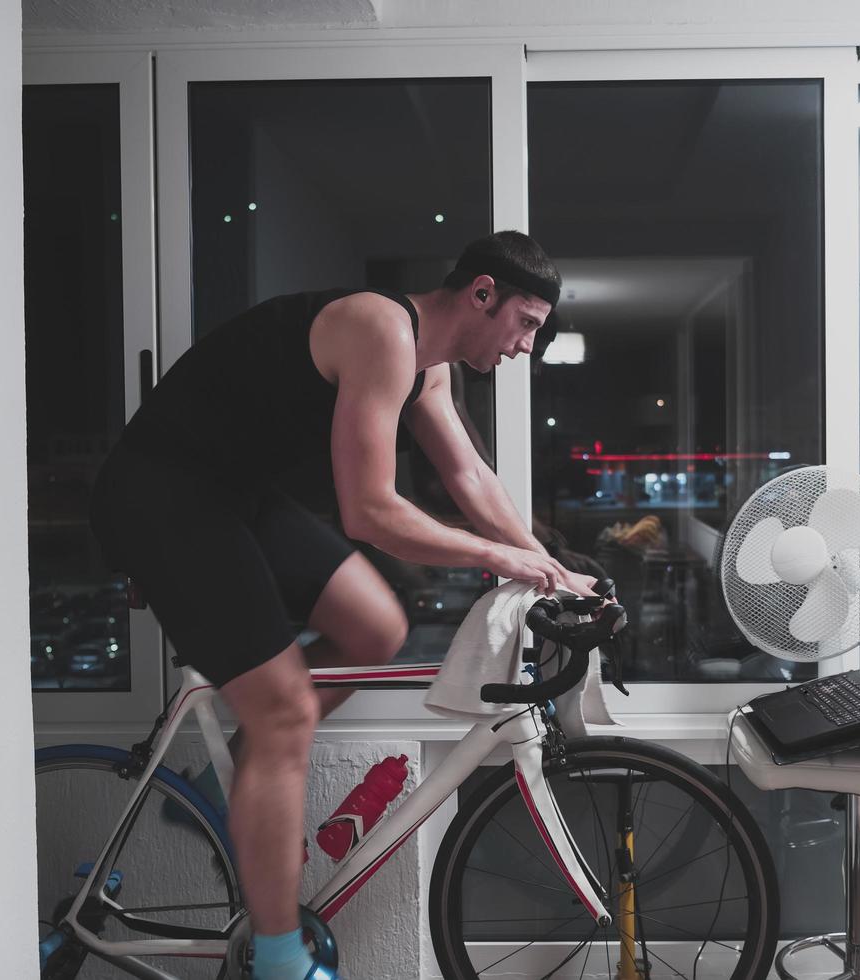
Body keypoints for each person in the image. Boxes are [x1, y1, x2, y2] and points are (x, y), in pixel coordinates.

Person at [88, 231, 601, 980]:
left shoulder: (429, 368)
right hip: (163, 495)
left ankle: (232, 778)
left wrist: (547, 567)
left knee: (375, 624)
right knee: (287, 710)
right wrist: (496, 556)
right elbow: (370, 513)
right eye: (525, 322)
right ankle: (277, 960)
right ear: (481, 294)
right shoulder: (379, 329)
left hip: (235, 497)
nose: (527, 345)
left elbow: (470, 478)